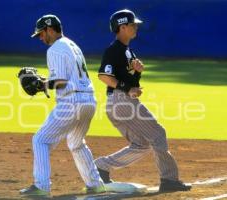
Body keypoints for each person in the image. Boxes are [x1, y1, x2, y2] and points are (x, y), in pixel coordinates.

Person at [94, 9, 191, 192]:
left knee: (142, 144)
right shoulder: (114, 50)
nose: (135, 27)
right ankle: (169, 180)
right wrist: (127, 88)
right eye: (132, 24)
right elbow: (104, 76)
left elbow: (129, 83)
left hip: (120, 102)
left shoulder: (127, 51)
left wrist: (137, 74)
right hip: (121, 102)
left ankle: (101, 166)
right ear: (122, 27)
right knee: (158, 134)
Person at [20, 14, 105, 197]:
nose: (40, 38)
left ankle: (42, 186)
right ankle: (95, 184)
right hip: (89, 101)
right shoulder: (72, 45)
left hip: (71, 102)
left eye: (41, 34)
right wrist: (45, 81)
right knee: (76, 142)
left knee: (40, 140)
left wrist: (42, 84)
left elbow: (61, 81)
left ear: (50, 29)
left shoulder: (55, 49)